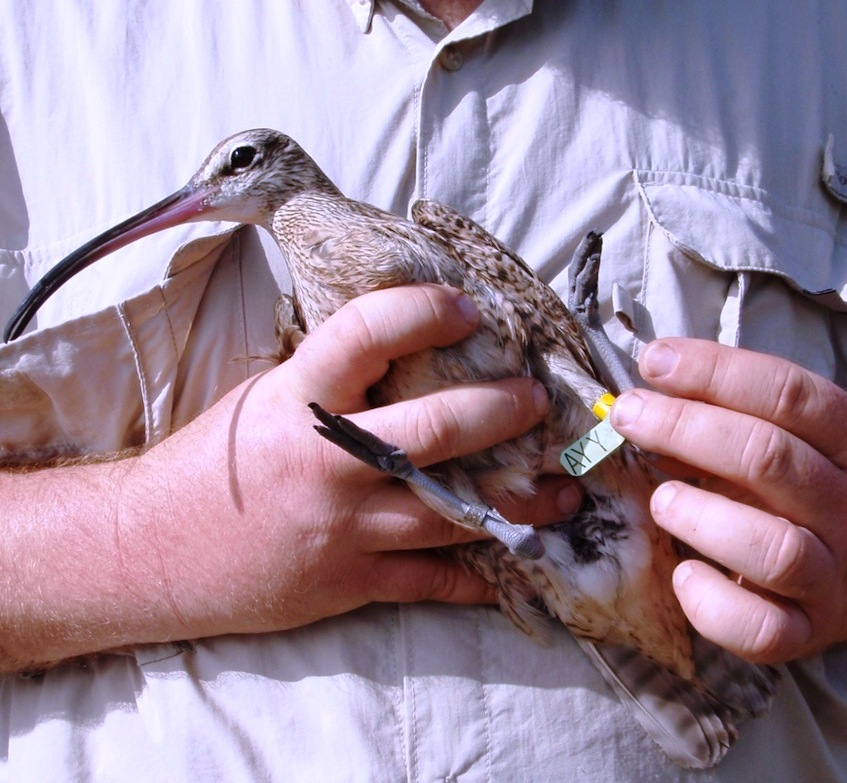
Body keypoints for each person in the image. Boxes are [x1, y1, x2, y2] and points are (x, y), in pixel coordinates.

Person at [0, 1, 845, 779]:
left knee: (588, 434)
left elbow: (575, 409)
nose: (205, 196)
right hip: (530, 557)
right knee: (522, 520)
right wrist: (148, 533)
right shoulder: (34, 44)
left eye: (234, 169)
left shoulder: (814, 35)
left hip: (606, 514)